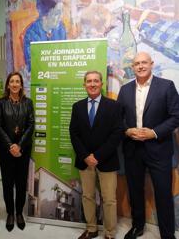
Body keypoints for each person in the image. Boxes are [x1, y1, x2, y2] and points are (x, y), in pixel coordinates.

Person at [117, 52, 179, 239]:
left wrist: (154, 132)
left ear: (151, 64)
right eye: (137, 63)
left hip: (159, 148)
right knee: (135, 191)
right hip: (133, 149)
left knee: (162, 193)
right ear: (132, 67)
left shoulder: (166, 86)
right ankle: (138, 226)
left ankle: (167, 233)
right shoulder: (125, 89)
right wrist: (127, 131)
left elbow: (176, 116)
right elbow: (117, 118)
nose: (141, 66)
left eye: (144, 62)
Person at [69, 71, 124, 239]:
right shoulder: (77, 106)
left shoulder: (114, 106)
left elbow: (117, 134)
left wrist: (97, 156)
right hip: (85, 161)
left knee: (109, 199)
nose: (92, 84)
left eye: (96, 81)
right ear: (84, 84)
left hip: (106, 160)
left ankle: (109, 233)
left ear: (101, 84)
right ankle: (91, 229)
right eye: (89, 81)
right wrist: (86, 156)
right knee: (87, 196)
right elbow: (74, 133)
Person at [0, 72, 35, 231]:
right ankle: (10, 213)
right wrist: (11, 145)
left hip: (23, 150)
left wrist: (20, 146)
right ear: (8, 84)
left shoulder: (28, 102)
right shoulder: (1, 103)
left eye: (18, 81)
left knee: (20, 182)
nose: (15, 84)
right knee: (7, 183)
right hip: (6, 150)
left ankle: (19, 213)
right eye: (12, 81)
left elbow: (31, 125)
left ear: (21, 85)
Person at [23, 0, 66, 72]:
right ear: (45, 15)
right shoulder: (32, 34)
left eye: (61, 12)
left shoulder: (61, 28)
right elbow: (33, 67)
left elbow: (65, 58)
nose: (60, 17)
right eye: (57, 13)